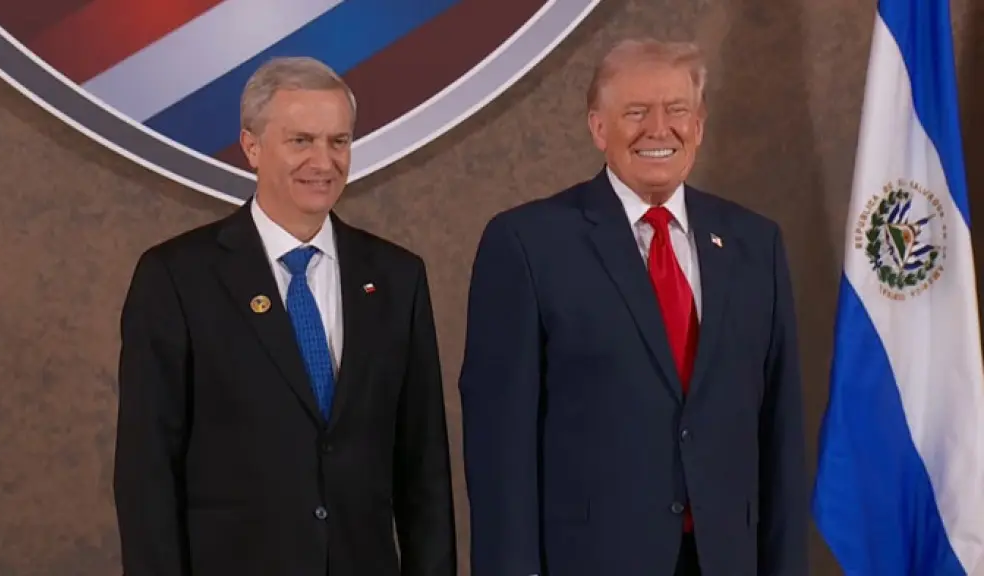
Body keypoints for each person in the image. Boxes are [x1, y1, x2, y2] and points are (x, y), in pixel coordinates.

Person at [459, 38, 807, 576]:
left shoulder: (754, 244)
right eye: (636, 112)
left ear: (700, 124)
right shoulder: (528, 244)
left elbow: (780, 431)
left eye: (677, 111)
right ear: (598, 127)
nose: (658, 129)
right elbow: (499, 449)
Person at [113, 56, 457, 576]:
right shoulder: (177, 278)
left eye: (338, 141)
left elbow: (424, 469)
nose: (324, 161)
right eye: (301, 141)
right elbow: (146, 475)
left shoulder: (396, 278)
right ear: (251, 147)